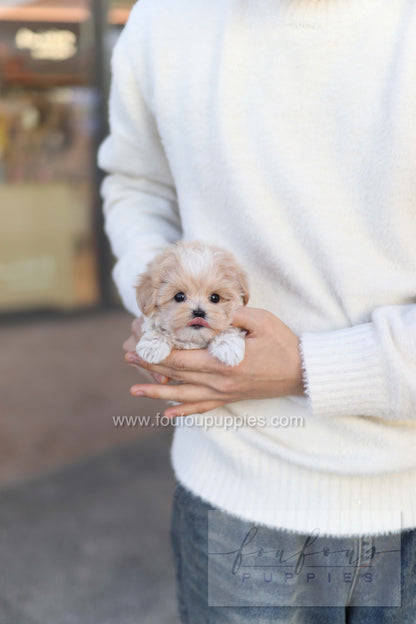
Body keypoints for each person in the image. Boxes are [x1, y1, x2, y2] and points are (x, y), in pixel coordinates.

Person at [98, 0, 416, 621]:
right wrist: (154, 299)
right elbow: (138, 184)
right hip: (230, 496)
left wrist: (313, 365)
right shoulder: (163, 18)